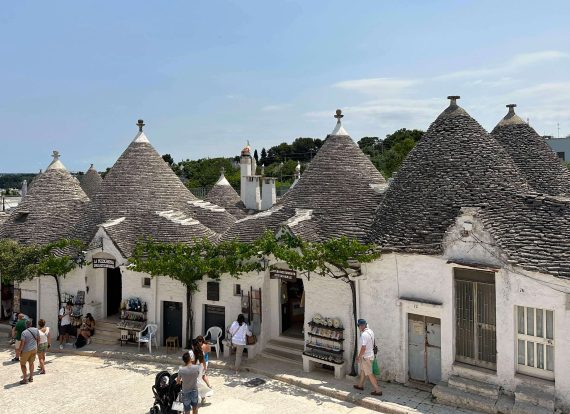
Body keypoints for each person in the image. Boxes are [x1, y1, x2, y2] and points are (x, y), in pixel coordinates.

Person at [353, 319, 382, 396]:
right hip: (370, 355)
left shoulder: (364, 335)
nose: (358, 327)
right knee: (363, 370)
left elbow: (363, 348)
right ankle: (360, 385)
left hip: (366, 357)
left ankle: (378, 390)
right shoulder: (370, 331)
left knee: (369, 373)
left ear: (361, 326)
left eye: (358, 326)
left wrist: (358, 357)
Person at [192, 339, 213, 404]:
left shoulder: (193, 353)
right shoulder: (201, 352)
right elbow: (203, 361)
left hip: (196, 369)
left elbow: (192, 363)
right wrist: (205, 367)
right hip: (200, 368)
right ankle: (202, 398)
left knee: (196, 384)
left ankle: (201, 397)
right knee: (198, 384)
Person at [18, 319, 39, 384]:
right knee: (31, 363)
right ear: (31, 324)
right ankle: (31, 377)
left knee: (23, 364)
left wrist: (19, 351)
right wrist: (36, 346)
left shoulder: (24, 332)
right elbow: (38, 339)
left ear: (25, 325)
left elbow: (22, 343)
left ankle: (24, 379)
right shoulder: (36, 330)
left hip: (26, 350)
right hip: (34, 349)